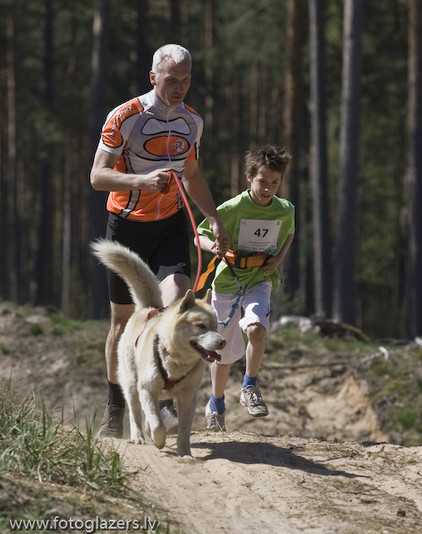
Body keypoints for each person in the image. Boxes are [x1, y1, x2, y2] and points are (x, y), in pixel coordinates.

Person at [90, 44, 229, 438]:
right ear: (154, 78)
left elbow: (193, 176)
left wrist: (214, 218)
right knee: (122, 322)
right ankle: (115, 409)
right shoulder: (125, 117)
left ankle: (164, 400)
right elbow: (97, 177)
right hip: (126, 225)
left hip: (170, 225)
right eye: (172, 80)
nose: (180, 87)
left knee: (174, 304)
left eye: (186, 80)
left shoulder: (192, 121)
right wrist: (141, 182)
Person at [198, 144, 295, 431]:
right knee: (222, 351)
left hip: (260, 280)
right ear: (249, 178)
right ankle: (216, 404)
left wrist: (278, 258)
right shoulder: (232, 208)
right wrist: (213, 246)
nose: (268, 189)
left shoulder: (285, 208)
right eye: (262, 182)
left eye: (275, 183)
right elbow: (199, 236)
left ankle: (250, 386)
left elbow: (289, 233)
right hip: (228, 282)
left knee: (256, 329)